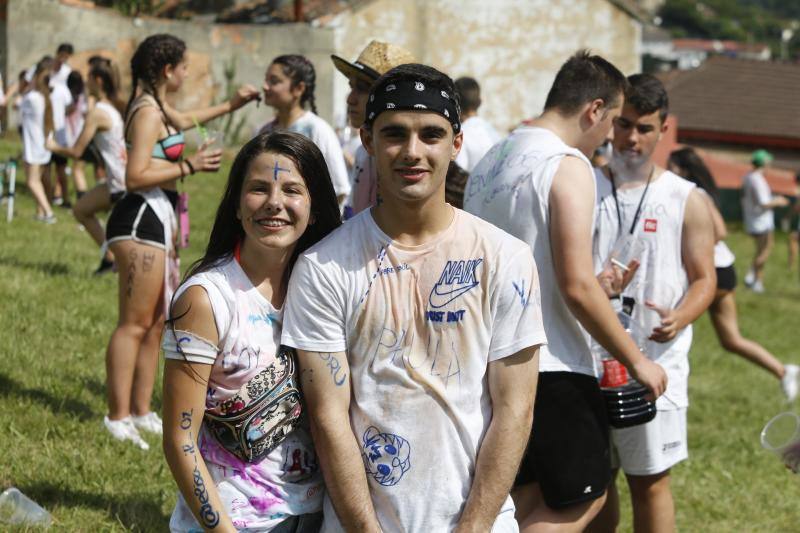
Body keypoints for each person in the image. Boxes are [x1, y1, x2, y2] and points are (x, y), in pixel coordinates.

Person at [282, 63, 545, 531]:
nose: (412, 152)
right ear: (367, 140)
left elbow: (515, 410)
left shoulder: (506, 258)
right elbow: (329, 417)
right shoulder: (324, 267)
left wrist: (473, 527)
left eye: (431, 134)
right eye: (395, 134)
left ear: (456, 144)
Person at [465, 51, 667, 532]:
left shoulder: (493, 157)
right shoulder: (567, 164)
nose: (610, 137)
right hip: (552, 362)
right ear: (594, 110)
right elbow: (576, 285)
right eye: (614, 120)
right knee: (581, 499)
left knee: (525, 497)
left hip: (489, 359)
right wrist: (637, 360)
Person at [162, 131, 341, 531]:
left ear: (313, 209)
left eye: (292, 190)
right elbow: (180, 439)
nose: (274, 203)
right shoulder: (206, 300)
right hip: (238, 522)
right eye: (258, 189)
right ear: (238, 207)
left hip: (314, 516)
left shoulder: (323, 292)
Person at [102, 33, 259, 449]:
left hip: (157, 219)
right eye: (184, 66)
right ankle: (116, 415)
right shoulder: (147, 112)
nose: (188, 73)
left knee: (155, 323)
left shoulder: (157, 106)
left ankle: (140, 409)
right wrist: (189, 164)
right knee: (134, 324)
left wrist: (231, 106)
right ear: (168, 70)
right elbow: (133, 176)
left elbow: (187, 118)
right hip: (138, 219)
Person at [589, 74, 715, 533]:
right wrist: (593, 282)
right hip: (588, 359)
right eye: (623, 124)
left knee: (651, 482)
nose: (631, 137)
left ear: (664, 129)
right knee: (593, 485)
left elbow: (705, 278)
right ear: (608, 121)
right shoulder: (584, 185)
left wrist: (682, 316)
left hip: (656, 363)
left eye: (644, 128)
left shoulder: (686, 199)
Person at [667, 147, 799, 401]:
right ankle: (784, 372)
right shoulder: (690, 193)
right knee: (731, 339)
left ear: (684, 169)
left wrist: (690, 244)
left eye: (671, 165)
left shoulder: (694, 194)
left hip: (711, 272)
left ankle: (667, 386)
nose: (667, 169)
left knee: (671, 325)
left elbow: (720, 231)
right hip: (721, 269)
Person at [47, 62, 125, 275]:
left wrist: (53, 146)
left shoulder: (98, 113)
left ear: (98, 81)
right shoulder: (111, 107)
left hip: (120, 183)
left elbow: (76, 151)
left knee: (83, 211)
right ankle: (110, 258)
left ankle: (112, 258)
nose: (85, 83)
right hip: (119, 178)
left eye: (88, 78)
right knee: (81, 209)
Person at [330, 40, 415, 215]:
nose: (350, 99)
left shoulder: (410, 157)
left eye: (362, 89)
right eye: (351, 87)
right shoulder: (364, 151)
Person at [258, 55, 350, 208]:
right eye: (266, 80)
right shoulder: (265, 131)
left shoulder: (317, 130)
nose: (265, 86)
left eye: (274, 81)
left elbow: (340, 189)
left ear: (299, 89)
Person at [741, 149, 789, 293]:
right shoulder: (757, 179)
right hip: (761, 221)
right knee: (765, 250)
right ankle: (752, 276)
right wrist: (779, 201)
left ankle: (757, 281)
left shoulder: (748, 177)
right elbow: (763, 203)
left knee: (760, 251)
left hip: (753, 219)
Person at [21, 59, 56, 223]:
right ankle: (40, 212)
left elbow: (17, 102)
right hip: (41, 145)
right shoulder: (44, 97)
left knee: (32, 182)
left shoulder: (32, 98)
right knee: (39, 181)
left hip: (33, 147)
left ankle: (48, 213)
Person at [454, 76, 501, 172]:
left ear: (455, 104)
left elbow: (459, 174)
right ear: (479, 102)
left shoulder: (461, 135)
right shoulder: (493, 132)